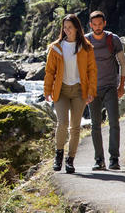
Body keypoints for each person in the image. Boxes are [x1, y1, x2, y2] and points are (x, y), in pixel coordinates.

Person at [43, 14, 97, 173]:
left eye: (70, 27)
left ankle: (70, 160)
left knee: (75, 128)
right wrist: (47, 91)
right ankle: (58, 154)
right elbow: (49, 72)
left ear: (77, 28)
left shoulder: (86, 47)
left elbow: (92, 71)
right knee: (62, 124)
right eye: (65, 28)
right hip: (61, 90)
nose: (67, 30)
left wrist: (91, 91)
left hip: (80, 91)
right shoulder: (55, 47)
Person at [85, 11, 125, 170]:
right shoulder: (86, 40)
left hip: (110, 86)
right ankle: (99, 160)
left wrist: (121, 85)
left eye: (99, 24)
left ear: (104, 23)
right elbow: (81, 66)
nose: (97, 27)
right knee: (95, 125)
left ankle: (114, 159)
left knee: (114, 123)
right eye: (94, 24)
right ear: (90, 25)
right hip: (92, 89)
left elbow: (123, 62)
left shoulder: (113, 39)